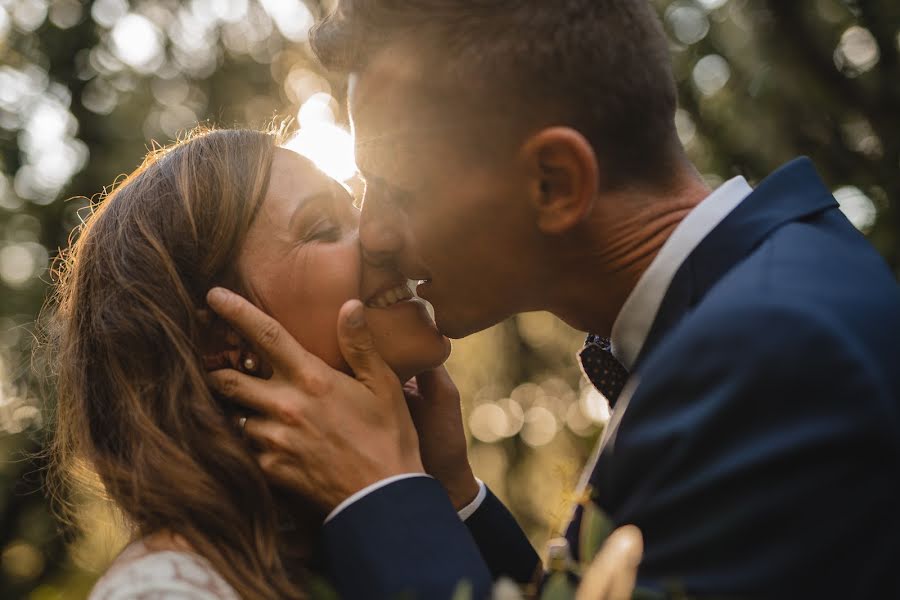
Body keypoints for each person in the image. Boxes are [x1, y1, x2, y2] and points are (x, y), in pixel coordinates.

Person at [205, 1, 900, 599]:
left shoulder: (770, 354)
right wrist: (448, 496)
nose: (376, 235)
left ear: (555, 183)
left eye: (402, 192)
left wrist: (376, 496)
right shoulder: (752, 310)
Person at [45, 126, 475, 599]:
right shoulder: (168, 592)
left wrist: (452, 495)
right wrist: (388, 493)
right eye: (325, 229)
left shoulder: (338, 535)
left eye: (354, 208)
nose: (378, 238)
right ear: (219, 335)